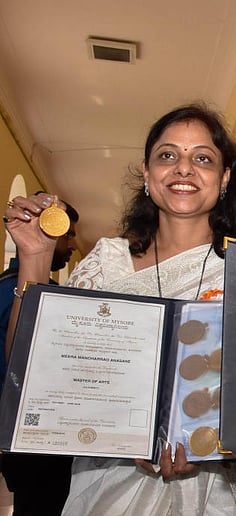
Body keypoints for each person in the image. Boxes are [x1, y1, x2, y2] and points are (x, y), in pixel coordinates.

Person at [3, 104, 236, 515]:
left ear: (225, 177)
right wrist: (34, 257)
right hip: (114, 481)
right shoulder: (108, 261)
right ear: (146, 171)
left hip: (229, 489)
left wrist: (211, 441)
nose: (184, 168)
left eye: (203, 158)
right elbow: (35, 368)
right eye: (168, 155)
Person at [0, 194, 78, 516]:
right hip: (33, 435)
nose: (73, 242)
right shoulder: (12, 290)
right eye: (69, 233)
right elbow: (24, 359)